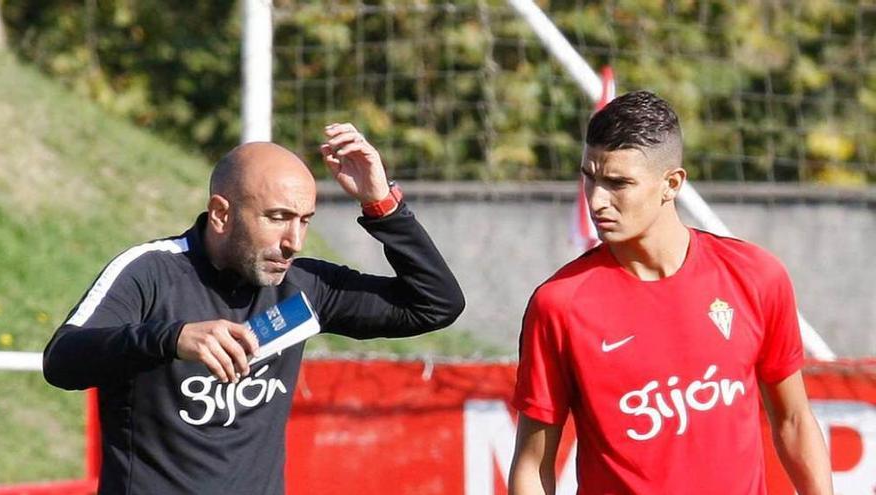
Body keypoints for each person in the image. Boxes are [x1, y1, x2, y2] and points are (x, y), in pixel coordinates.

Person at [43, 123, 465, 494]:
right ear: (221, 214)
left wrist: (380, 203)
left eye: (304, 220)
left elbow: (435, 303)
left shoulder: (306, 289)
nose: (294, 241)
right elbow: (61, 361)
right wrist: (171, 338)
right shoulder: (151, 271)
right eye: (278, 217)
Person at [508, 91, 832, 494]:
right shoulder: (559, 304)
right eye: (589, 177)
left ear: (671, 184)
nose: (596, 200)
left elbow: (794, 422)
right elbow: (533, 465)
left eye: (618, 183)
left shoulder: (756, 277)